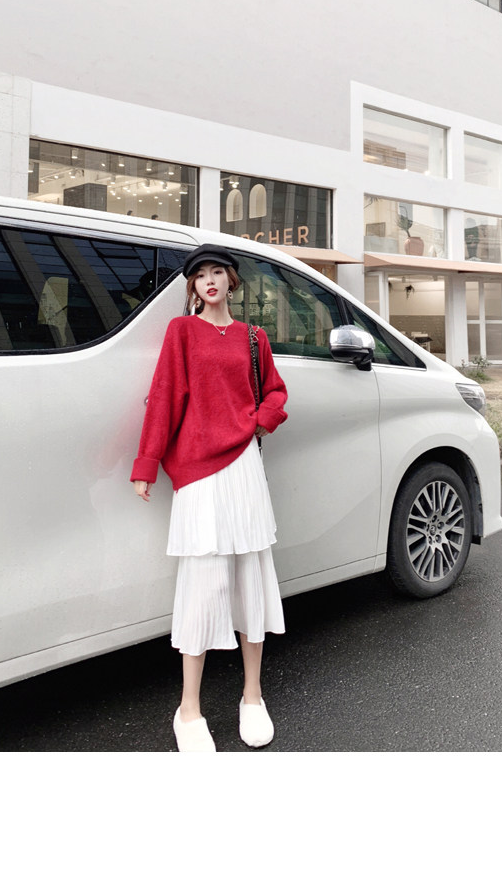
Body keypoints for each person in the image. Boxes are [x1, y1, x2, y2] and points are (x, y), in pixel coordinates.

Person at [131, 244, 288, 752]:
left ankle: (252, 696)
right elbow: (164, 396)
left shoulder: (253, 338)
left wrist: (261, 420)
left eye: (218, 272)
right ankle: (189, 709)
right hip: (198, 471)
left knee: (251, 577)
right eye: (201, 275)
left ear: (232, 281)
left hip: (243, 467)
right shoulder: (182, 331)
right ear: (193, 287)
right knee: (204, 584)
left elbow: (276, 391)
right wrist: (146, 462)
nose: (210, 281)